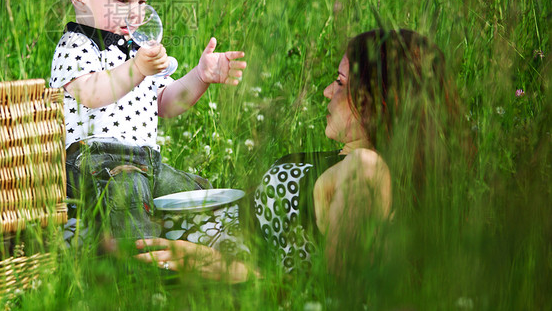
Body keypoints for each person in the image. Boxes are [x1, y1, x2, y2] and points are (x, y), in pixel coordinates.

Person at [135, 29, 471, 280]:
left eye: (340, 83)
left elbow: (332, 292)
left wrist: (209, 264)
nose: (328, 91)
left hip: (182, 262)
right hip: (173, 231)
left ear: (375, 103)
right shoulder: (349, 161)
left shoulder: (365, 171)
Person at [50, 0, 247, 241]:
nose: (137, 13)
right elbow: (90, 93)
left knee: (192, 191)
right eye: (124, 0)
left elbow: (167, 103)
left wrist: (200, 76)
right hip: (93, 161)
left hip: (145, 160)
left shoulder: (135, 49)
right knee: (127, 191)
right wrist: (137, 69)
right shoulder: (77, 45)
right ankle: (136, 261)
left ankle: (212, 242)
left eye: (143, 1)